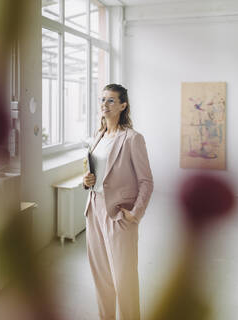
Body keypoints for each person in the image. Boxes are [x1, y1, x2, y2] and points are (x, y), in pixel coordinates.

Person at [83, 84, 153, 320]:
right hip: (94, 209)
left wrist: (136, 213)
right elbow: (96, 173)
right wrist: (87, 180)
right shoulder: (98, 136)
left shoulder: (132, 139)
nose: (104, 104)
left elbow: (146, 181)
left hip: (119, 213)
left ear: (123, 105)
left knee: (124, 279)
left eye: (111, 100)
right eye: (102, 99)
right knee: (101, 278)